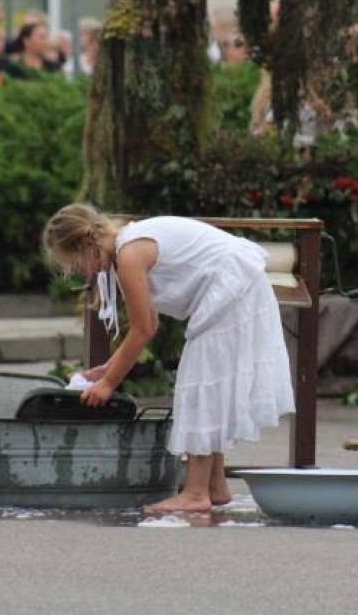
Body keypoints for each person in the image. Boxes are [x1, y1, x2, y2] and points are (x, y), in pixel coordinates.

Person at [41, 206, 295, 512]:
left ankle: (196, 493)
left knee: (200, 384)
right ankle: (214, 486)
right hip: (236, 285)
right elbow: (152, 321)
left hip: (231, 288)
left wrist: (108, 384)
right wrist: (108, 368)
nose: (83, 272)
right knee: (208, 384)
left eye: (76, 264)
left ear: (84, 245)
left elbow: (143, 329)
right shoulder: (127, 244)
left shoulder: (130, 255)